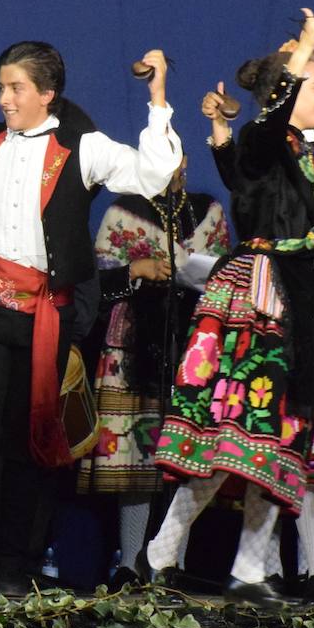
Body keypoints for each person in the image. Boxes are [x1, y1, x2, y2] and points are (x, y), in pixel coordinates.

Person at [146, 11, 314, 607]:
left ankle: (251, 567)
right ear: (287, 92)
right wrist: (303, 46)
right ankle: (162, 553)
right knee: (231, 429)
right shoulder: (262, 144)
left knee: (280, 435)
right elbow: (262, 130)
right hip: (259, 296)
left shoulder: (303, 158)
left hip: (299, 301)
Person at [0, 42, 182, 594]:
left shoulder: (82, 148)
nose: (4, 98)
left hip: (44, 316)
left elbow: (154, 174)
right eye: (0, 87)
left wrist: (157, 99)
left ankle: (15, 564)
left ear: (46, 94)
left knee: (26, 442)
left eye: (15, 88)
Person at [76, 155, 229, 588]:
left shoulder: (208, 209)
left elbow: (225, 272)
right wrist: (136, 270)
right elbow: (96, 280)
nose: (174, 168)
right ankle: (128, 562)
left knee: (182, 457)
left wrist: (196, 273)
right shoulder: (125, 209)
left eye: (180, 160)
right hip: (132, 346)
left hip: (193, 342)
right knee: (136, 459)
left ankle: (168, 563)